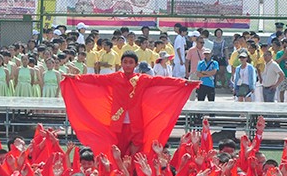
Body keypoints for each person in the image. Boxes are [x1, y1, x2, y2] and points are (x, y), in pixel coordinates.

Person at [60, 52, 197, 158]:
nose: (127, 65)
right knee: (116, 152)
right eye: (125, 62)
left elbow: (162, 81)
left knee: (134, 151)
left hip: (136, 123)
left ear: (135, 64)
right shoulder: (114, 77)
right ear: (121, 63)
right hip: (117, 122)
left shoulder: (142, 79)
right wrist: (75, 78)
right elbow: (95, 79)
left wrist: (184, 83)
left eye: (131, 62)